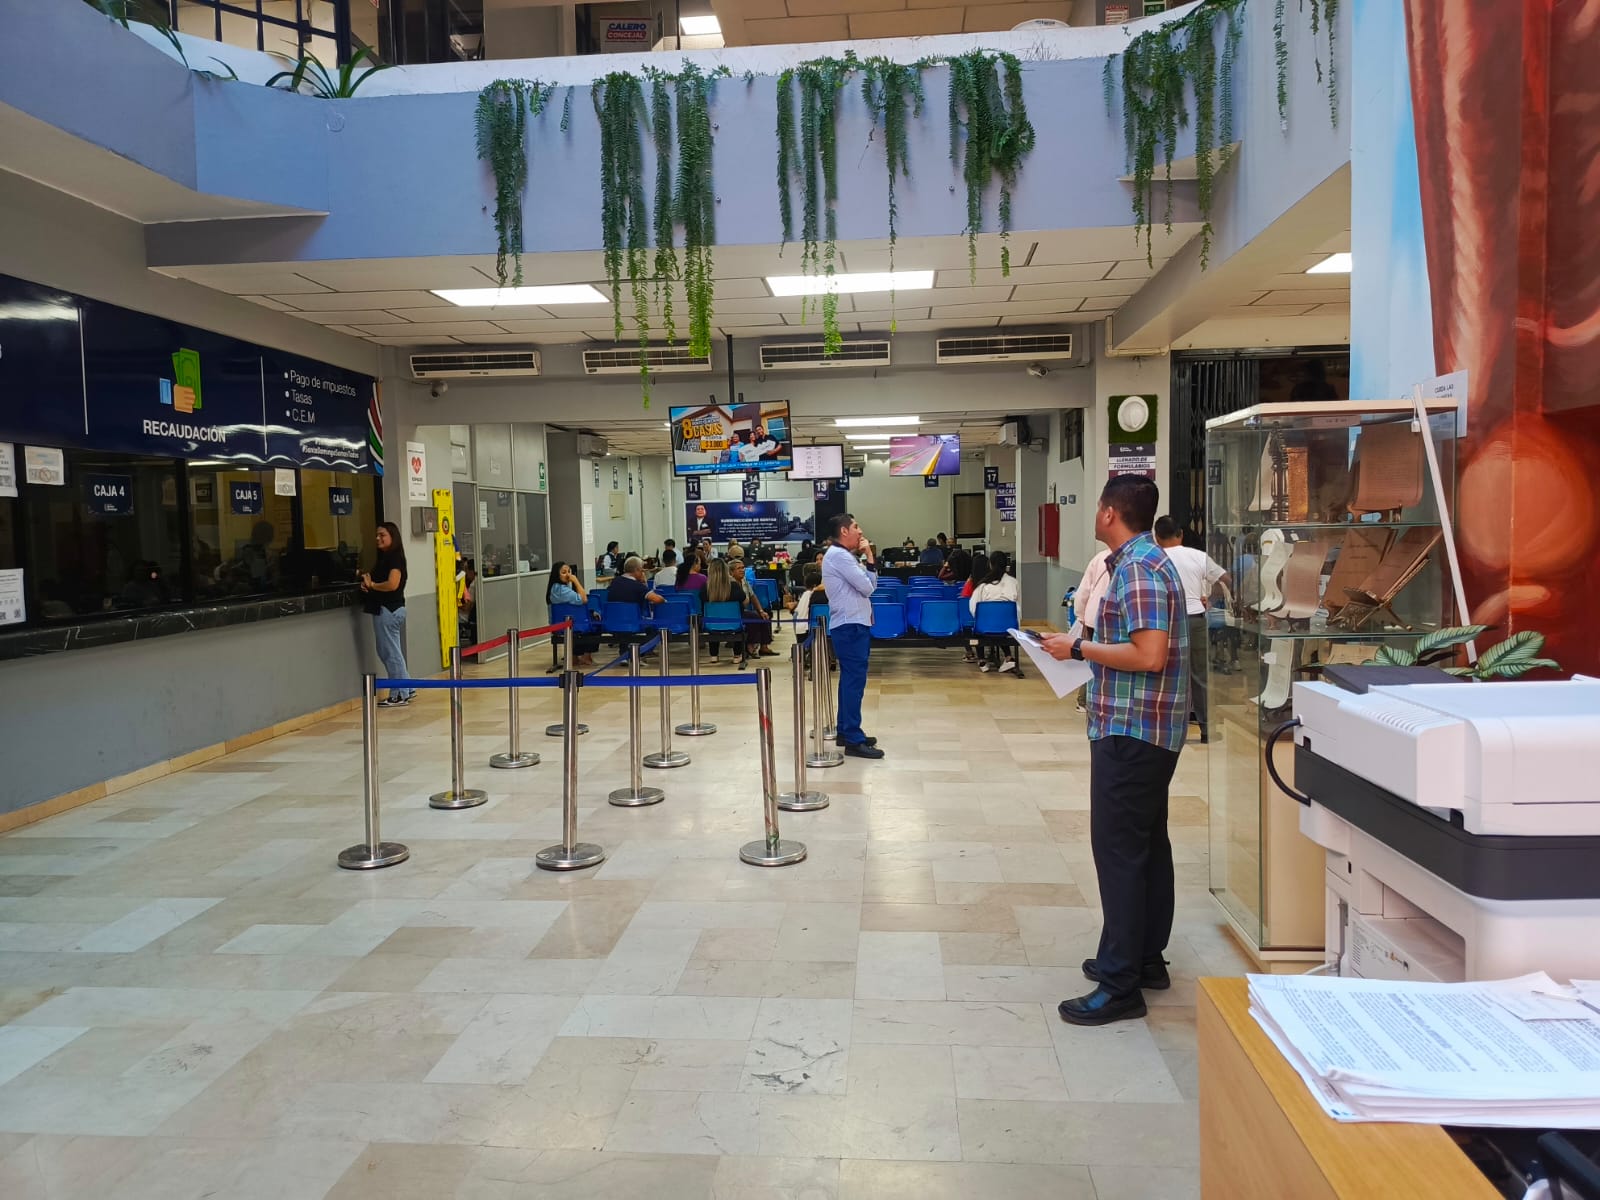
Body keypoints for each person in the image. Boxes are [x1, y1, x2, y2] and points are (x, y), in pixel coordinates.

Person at [1040, 475, 1188, 1027]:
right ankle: (1142, 958)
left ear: (1108, 513)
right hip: (1142, 726)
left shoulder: (1139, 569)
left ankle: (1121, 984)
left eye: (1098, 506)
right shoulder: (1140, 562)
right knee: (1145, 844)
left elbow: (1149, 655)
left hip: (1133, 729)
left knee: (1120, 852)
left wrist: (1078, 647)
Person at [1154, 515, 1229, 743]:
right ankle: (1206, 730)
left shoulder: (1156, 558)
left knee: (1167, 675)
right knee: (1199, 676)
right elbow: (1226, 579)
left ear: (1156, 537)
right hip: (1196, 619)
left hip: (1165, 623)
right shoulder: (1198, 556)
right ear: (1180, 535)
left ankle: (1168, 728)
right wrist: (1211, 600)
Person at [821, 512, 883, 759]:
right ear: (844, 531)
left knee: (850, 680)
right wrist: (870, 556)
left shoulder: (843, 556)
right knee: (854, 682)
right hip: (850, 626)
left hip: (852, 624)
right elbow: (868, 587)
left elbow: (869, 585)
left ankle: (846, 731)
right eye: (856, 527)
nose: (860, 531)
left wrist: (867, 563)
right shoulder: (839, 556)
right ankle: (853, 740)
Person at [361, 521, 414, 707]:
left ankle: (399, 694)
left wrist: (373, 585)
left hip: (389, 611)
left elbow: (392, 584)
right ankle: (407, 687)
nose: (378, 538)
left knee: (390, 654)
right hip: (389, 609)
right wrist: (368, 585)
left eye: (382, 535)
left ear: (393, 537)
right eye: (377, 535)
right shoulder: (386, 558)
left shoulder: (394, 558)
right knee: (393, 652)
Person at [1070, 547, 1113, 713]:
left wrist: (1081, 615)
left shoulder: (1099, 558)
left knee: (1091, 659)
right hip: (1114, 621)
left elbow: (1084, 591)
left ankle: (1084, 700)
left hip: (1093, 618)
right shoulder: (1137, 559)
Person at [970, 551, 1022, 673]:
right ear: (1006, 565)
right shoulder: (1014, 582)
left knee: (977, 628)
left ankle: (982, 660)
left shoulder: (983, 585)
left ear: (990, 564)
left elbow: (973, 607)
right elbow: (1018, 606)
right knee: (1002, 626)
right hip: (1009, 626)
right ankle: (1008, 657)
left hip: (985, 626)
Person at [546, 561, 597, 667]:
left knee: (579, 626)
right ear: (557, 574)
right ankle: (586, 656)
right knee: (595, 623)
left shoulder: (555, 588)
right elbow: (584, 599)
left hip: (561, 624)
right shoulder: (562, 590)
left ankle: (574, 656)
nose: (568, 575)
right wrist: (576, 581)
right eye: (564, 572)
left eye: (569, 572)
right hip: (568, 625)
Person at [960, 552, 990, 663]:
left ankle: (970, 652)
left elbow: (964, 599)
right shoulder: (992, 584)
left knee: (968, 626)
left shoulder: (970, 583)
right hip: (990, 619)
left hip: (970, 619)